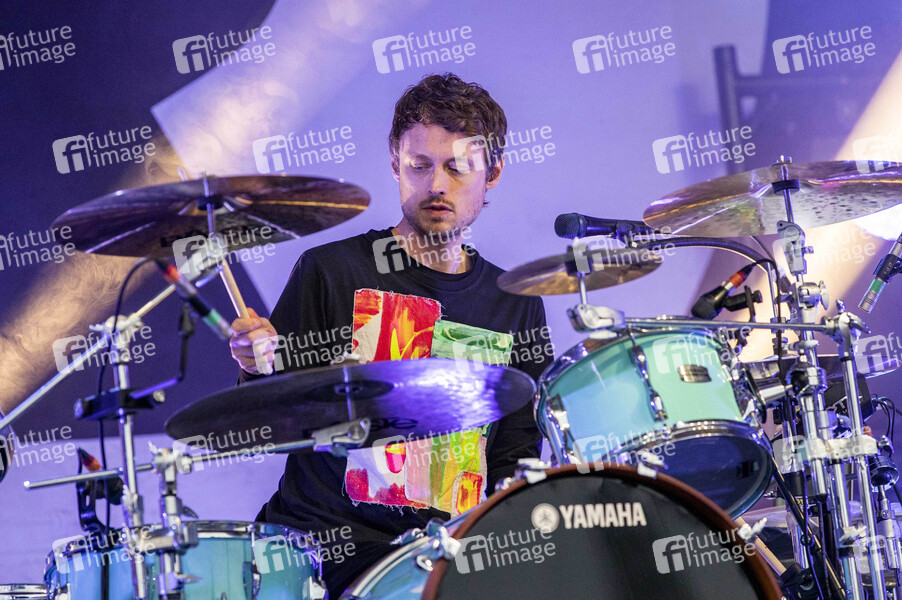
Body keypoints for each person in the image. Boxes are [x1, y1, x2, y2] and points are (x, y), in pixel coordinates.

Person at [229, 73, 551, 597]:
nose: (437, 184)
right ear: (396, 165)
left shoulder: (515, 300)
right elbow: (269, 421)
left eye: (457, 167)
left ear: (492, 172)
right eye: (419, 165)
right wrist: (254, 365)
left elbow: (515, 455)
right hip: (321, 552)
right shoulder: (331, 270)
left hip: (440, 561)